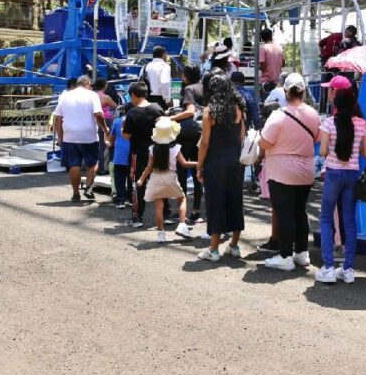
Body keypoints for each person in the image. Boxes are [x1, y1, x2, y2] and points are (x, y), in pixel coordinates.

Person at [259, 73, 320, 271]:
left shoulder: (278, 115)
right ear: (302, 91)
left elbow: (265, 142)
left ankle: (285, 255)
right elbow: (317, 138)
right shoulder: (313, 113)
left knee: (285, 213)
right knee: (300, 212)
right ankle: (302, 253)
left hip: (281, 172)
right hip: (306, 171)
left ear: (285, 91)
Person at [314, 90, 366, 284]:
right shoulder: (361, 123)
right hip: (352, 174)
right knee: (349, 220)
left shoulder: (329, 123)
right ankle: (348, 269)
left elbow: (322, 151)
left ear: (336, 105)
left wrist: (330, 149)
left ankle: (328, 267)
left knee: (326, 218)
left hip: (333, 173)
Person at [196, 75, 247, 261]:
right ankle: (234, 245)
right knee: (235, 201)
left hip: (215, 163)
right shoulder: (239, 109)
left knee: (215, 203)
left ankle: (214, 249)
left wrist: (199, 166)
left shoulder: (210, 112)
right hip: (235, 161)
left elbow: (204, 143)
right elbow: (242, 137)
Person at [136, 117, 194, 243]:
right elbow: (184, 164)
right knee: (182, 198)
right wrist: (199, 163)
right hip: (170, 177)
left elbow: (149, 167)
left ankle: (161, 234)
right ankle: (182, 225)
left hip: (156, 178)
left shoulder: (152, 148)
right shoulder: (176, 148)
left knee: (158, 206)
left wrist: (141, 179)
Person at [53, 75, 108, 203]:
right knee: (92, 163)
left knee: (74, 164)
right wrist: (105, 128)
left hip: (70, 135)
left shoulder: (65, 95)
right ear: (87, 83)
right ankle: (88, 187)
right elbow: (98, 114)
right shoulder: (92, 95)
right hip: (89, 135)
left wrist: (60, 136)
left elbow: (58, 118)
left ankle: (75, 193)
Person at [122, 81, 165, 227]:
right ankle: (166, 214)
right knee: (160, 181)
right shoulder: (157, 108)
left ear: (133, 95)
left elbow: (126, 135)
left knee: (137, 183)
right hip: (157, 151)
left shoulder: (132, 113)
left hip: (137, 153)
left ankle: (137, 216)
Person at [109, 105, 132, 208]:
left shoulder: (117, 121)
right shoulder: (136, 121)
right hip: (132, 152)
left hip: (119, 153)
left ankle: (121, 200)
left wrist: (110, 144)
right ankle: (130, 199)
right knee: (132, 177)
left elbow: (112, 137)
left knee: (119, 177)